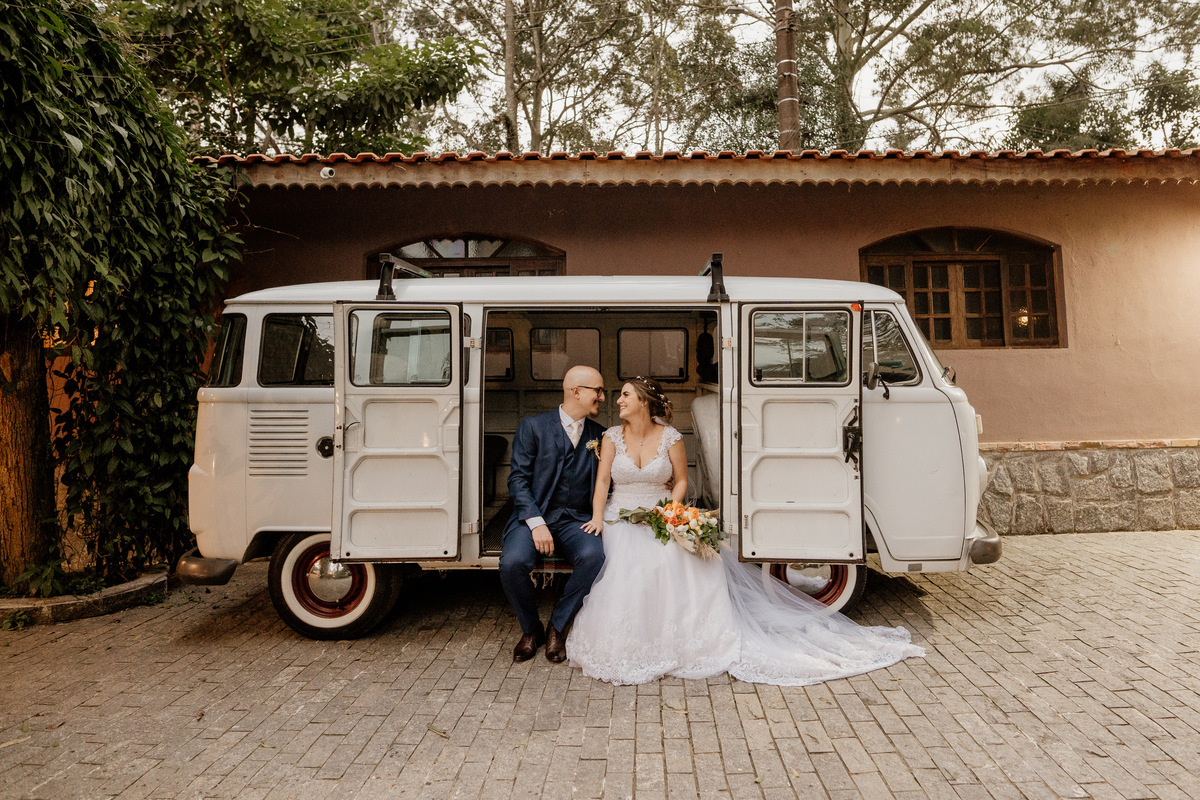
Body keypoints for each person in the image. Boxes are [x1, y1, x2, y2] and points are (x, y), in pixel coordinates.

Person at [566, 376, 925, 686]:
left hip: (661, 514)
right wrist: (598, 518)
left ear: (643, 402)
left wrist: (669, 511)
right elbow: (603, 482)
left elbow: (682, 480)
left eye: (625, 395)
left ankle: (687, 640)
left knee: (684, 560)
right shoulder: (612, 436)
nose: (618, 400)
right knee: (626, 566)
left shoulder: (670, 437)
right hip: (620, 516)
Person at [500, 365, 608, 663]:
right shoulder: (532, 427)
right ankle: (531, 629)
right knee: (512, 563)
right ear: (577, 391)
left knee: (593, 557)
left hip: (576, 520)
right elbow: (517, 480)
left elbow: (613, 477)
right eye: (598, 391)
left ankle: (558, 627)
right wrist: (536, 523)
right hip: (533, 517)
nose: (602, 397)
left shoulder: (601, 435)